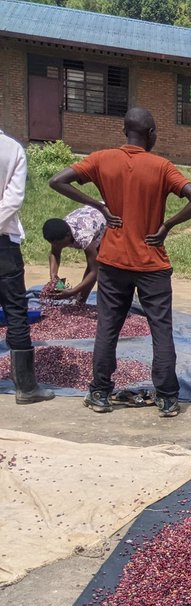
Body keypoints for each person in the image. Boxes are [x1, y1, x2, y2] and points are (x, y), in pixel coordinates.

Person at [49, 107, 191, 417]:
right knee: (161, 329)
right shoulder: (162, 167)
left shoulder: (101, 159)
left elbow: (58, 180)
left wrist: (97, 204)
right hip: (152, 264)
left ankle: (99, 392)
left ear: (125, 132)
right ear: (150, 134)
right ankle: (167, 398)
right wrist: (167, 226)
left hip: (113, 262)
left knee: (108, 326)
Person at [0, 126, 54, 404]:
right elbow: (12, 201)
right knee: (16, 311)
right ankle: (26, 387)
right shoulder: (11, 149)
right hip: (4, 244)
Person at [42, 206, 107, 303]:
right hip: (93, 217)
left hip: (111, 217)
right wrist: (54, 276)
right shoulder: (59, 232)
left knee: (102, 265)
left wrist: (73, 291)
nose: (57, 247)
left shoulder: (83, 236)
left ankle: (81, 301)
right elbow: (54, 253)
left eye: (58, 244)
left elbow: (95, 271)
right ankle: (80, 301)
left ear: (68, 235)